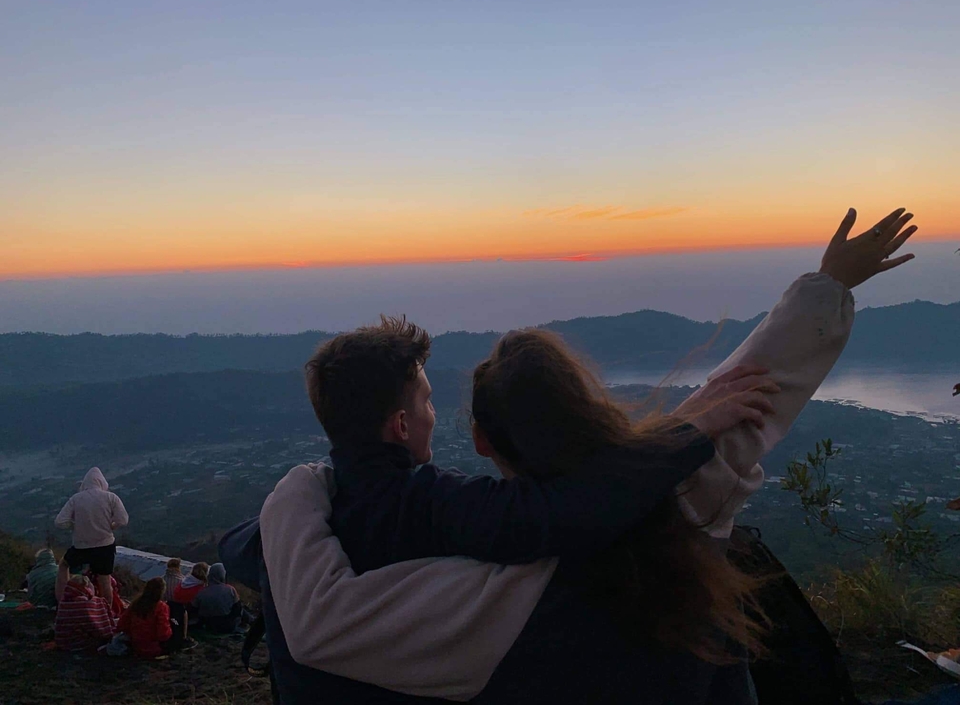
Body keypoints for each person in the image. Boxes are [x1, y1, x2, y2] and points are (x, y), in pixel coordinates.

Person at [221, 207, 918, 704]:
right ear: (403, 424)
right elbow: (753, 392)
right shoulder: (657, 510)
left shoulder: (315, 546)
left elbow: (242, 547)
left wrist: (294, 494)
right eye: (428, 399)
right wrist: (827, 288)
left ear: (489, 444)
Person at [55, 466, 129, 609]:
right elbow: (123, 520)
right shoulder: (110, 497)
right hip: (105, 545)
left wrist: (75, 525)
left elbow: (59, 522)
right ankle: (105, 613)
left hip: (81, 546)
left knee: (64, 565)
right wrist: (111, 526)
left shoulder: (76, 499)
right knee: (105, 580)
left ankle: (61, 602)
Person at [117, 577, 183, 657]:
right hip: (155, 648)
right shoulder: (161, 607)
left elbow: (121, 624)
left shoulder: (135, 604)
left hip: (136, 645)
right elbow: (163, 635)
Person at [54, 573, 116, 652]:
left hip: (64, 644)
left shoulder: (64, 602)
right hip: (82, 645)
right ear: (86, 588)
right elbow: (100, 631)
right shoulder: (89, 604)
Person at [192, 563, 247, 634]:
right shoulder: (230, 589)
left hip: (208, 626)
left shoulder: (201, 592)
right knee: (241, 609)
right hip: (228, 627)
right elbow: (238, 609)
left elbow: (194, 609)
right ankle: (251, 621)